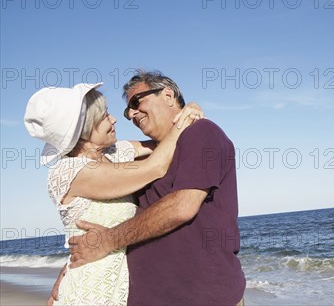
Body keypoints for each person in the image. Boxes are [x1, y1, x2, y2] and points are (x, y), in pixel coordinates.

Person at [68, 70, 246, 306]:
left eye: (136, 102)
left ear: (168, 95)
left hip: (203, 297)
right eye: (127, 110)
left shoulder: (201, 133)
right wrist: (70, 274)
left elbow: (182, 206)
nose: (131, 113)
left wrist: (109, 240)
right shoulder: (143, 160)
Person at [24, 82, 202, 305]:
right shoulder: (69, 172)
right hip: (90, 291)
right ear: (83, 130)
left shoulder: (115, 153)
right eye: (104, 116)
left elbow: (164, 144)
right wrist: (185, 119)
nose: (114, 119)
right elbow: (154, 167)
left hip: (123, 287)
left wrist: (185, 111)